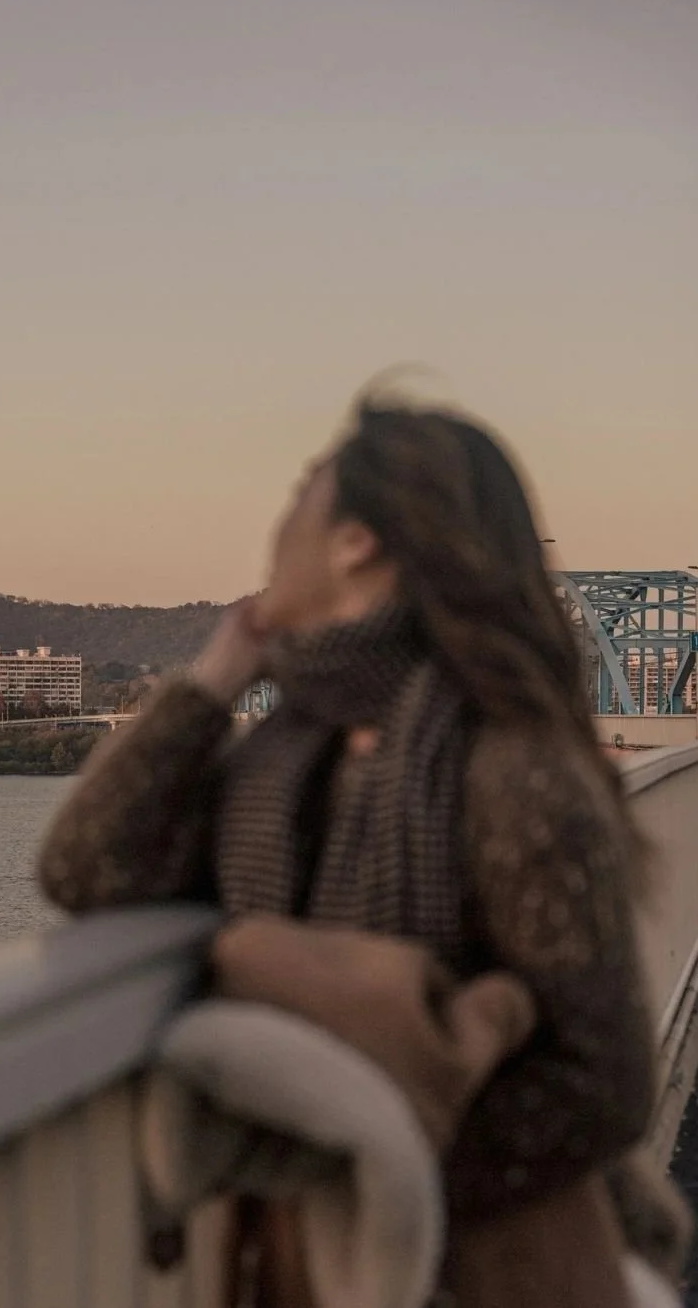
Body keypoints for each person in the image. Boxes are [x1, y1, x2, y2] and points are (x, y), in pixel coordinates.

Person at [37, 385, 688, 1304]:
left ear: (356, 539)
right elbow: (85, 867)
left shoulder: (511, 771)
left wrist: (376, 1182)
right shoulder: (281, 756)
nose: (282, 514)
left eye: (306, 487)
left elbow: (604, 1082)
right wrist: (212, 680)